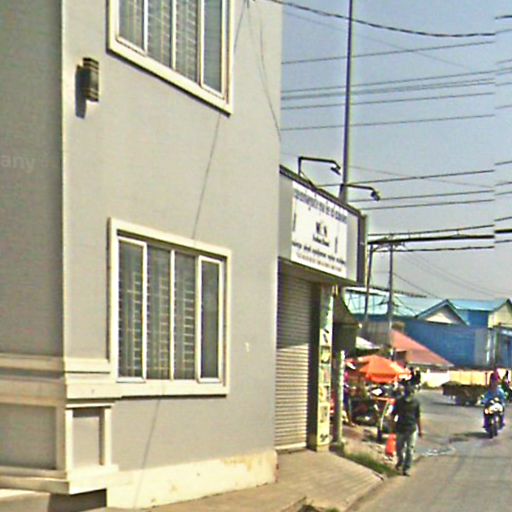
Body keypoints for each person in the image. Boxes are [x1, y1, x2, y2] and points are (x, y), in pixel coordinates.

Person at [392, 383, 422, 476]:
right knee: (399, 448)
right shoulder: (399, 402)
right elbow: (393, 414)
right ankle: (400, 461)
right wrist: (392, 427)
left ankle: (406, 468)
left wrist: (420, 430)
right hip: (400, 428)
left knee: (410, 449)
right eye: (407, 393)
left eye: (410, 393)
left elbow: (418, 417)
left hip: (412, 429)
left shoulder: (416, 402)